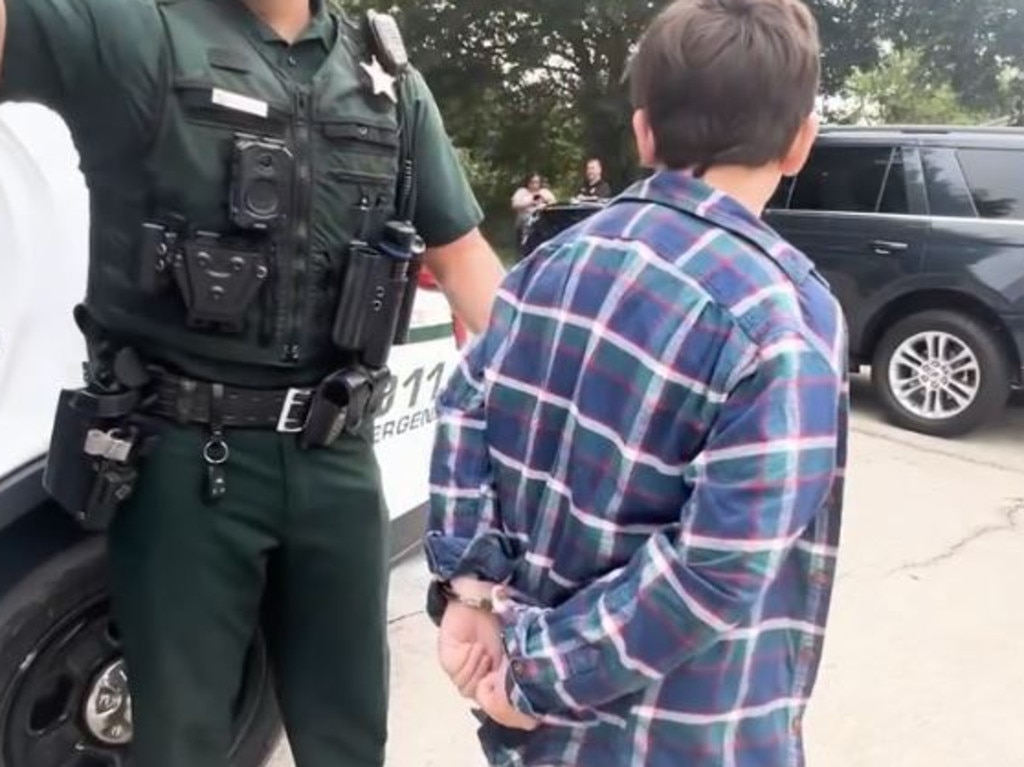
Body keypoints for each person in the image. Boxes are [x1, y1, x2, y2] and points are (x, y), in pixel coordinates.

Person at [0, 0, 505, 765]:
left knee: (350, 738)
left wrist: (559, 393)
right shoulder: (140, 35)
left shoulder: (386, 78)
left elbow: (463, 256)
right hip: (185, 466)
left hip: (336, 459)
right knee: (183, 743)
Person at [423, 0, 849, 766]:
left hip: (535, 735)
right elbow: (717, 569)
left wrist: (470, 591)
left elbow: (463, 406)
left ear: (644, 130)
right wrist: (533, 674)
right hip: (680, 737)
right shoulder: (783, 321)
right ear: (799, 144)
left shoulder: (549, 264)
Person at [511, 173, 556, 257]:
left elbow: (553, 203)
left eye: (537, 182)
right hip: (525, 221)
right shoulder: (521, 192)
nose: (534, 185)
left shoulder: (544, 192)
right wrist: (530, 201)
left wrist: (544, 202)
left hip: (542, 221)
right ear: (528, 183)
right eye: (532, 182)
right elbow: (515, 204)